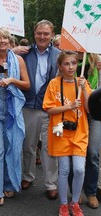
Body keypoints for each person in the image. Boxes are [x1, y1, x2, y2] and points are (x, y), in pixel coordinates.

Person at [0, 27, 30, 206]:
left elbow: (27, 84)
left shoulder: (18, 60)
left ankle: (9, 182)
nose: (1, 41)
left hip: (12, 111)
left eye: (5, 38)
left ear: (9, 41)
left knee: (13, 148)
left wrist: (12, 80)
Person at [43, 50, 92, 216]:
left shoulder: (82, 83)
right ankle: (63, 204)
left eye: (74, 63)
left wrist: (84, 89)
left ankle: (75, 202)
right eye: (66, 63)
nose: (71, 67)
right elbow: (49, 109)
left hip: (79, 132)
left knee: (79, 169)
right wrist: (69, 107)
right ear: (60, 66)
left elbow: (88, 108)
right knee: (63, 170)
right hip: (61, 131)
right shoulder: (54, 83)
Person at [21, 20, 61, 200]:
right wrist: (12, 51)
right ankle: (27, 176)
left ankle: (51, 183)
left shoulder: (59, 55)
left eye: (46, 33)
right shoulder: (25, 53)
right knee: (28, 146)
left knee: (49, 148)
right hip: (29, 105)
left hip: (50, 108)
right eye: (39, 33)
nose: (42, 36)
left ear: (52, 35)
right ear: (34, 34)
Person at [75, 53, 101, 209]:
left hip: (96, 113)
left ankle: (91, 191)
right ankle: (76, 190)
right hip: (77, 111)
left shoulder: (98, 62)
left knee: (93, 153)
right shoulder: (70, 60)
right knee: (75, 152)